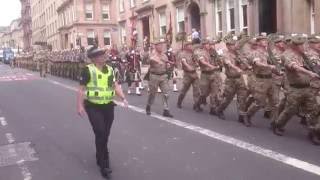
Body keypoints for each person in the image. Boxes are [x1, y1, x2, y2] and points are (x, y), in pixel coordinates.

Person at [77, 46, 128, 179]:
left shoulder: (110, 69)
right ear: (94, 58)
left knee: (105, 133)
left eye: (104, 54)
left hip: (108, 106)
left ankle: (100, 154)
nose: (105, 56)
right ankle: (104, 163)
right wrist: (80, 106)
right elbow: (81, 89)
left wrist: (123, 97)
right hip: (93, 106)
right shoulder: (88, 70)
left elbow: (115, 85)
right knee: (100, 132)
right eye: (101, 55)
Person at [146, 38, 174, 117]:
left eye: (162, 45)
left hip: (163, 76)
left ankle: (166, 109)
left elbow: (166, 65)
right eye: (160, 45)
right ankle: (148, 105)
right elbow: (151, 60)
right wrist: (159, 61)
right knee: (152, 94)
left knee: (166, 93)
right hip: (154, 76)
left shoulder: (164, 55)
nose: (161, 47)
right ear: (156, 46)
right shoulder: (152, 54)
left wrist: (168, 65)